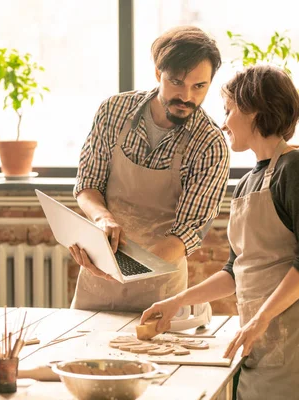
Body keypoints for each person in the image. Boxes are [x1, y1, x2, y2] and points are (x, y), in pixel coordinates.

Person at [140, 64, 299, 399]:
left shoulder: (298, 169)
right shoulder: (247, 182)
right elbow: (235, 271)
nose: (223, 123)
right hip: (261, 336)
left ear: (253, 110)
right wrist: (177, 302)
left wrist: (260, 319)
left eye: (228, 110)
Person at [69, 26, 230, 312]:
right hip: (98, 277)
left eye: (199, 86)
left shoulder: (210, 145)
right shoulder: (113, 112)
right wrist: (102, 219)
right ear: (159, 74)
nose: (187, 96)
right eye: (177, 82)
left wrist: (123, 269)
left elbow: (185, 234)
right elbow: (87, 184)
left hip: (160, 288)